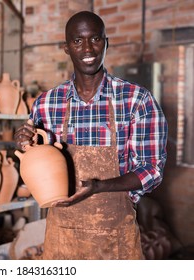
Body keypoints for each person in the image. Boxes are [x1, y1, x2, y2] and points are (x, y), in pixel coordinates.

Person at [14, 11, 168, 260]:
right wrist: (24, 142)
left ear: (105, 43)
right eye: (77, 41)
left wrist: (100, 187)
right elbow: (32, 157)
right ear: (66, 47)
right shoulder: (47, 103)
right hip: (61, 241)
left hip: (116, 241)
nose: (88, 48)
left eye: (95, 39)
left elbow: (152, 170)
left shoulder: (137, 100)